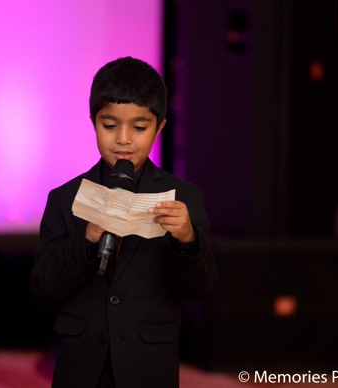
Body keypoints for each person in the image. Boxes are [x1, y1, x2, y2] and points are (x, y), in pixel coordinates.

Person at [30, 57, 217, 388]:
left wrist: (186, 237)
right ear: (93, 123)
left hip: (148, 368)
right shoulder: (65, 198)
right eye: (110, 125)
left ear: (159, 127)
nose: (124, 139)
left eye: (139, 127)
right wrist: (86, 240)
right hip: (81, 370)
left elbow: (199, 289)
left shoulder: (183, 197)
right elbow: (43, 288)